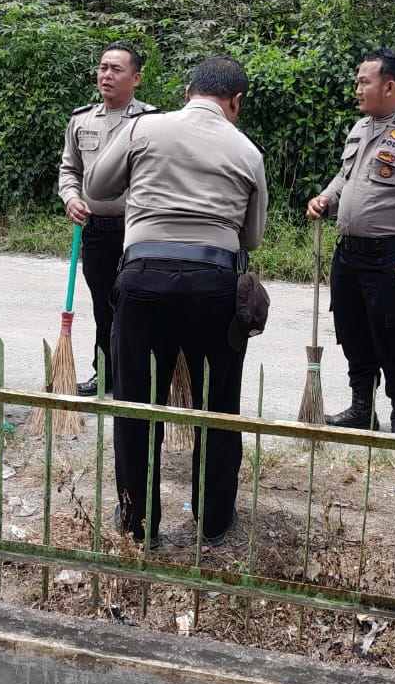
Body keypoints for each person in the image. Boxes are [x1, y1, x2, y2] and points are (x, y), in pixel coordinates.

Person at [85, 55, 268, 546]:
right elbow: (251, 237)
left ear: (187, 94)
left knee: (136, 404)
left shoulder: (144, 128)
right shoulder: (247, 151)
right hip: (215, 285)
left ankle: (138, 524)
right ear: (236, 102)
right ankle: (213, 522)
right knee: (216, 407)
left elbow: (95, 187)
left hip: (143, 279)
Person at [306, 49, 395, 436]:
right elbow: (345, 177)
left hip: (391, 255)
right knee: (352, 332)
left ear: (389, 86)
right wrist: (325, 199)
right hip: (348, 253)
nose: (357, 89)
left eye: (363, 82)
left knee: (393, 335)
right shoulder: (360, 127)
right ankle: (362, 408)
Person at [58, 42, 158, 396]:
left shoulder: (152, 121)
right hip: (97, 230)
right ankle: (106, 373)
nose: (107, 75)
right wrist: (71, 198)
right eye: (103, 68)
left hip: (138, 231)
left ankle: (140, 377)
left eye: (116, 69)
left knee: (138, 304)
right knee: (104, 305)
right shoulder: (81, 120)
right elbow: (69, 169)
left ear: (136, 78)